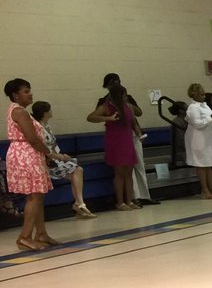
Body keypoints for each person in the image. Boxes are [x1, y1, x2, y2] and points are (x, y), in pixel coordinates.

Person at [5, 78, 72, 250]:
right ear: (15, 95)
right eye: (26, 91)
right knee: (34, 197)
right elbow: (32, 139)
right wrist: (50, 154)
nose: (30, 94)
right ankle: (24, 237)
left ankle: (41, 233)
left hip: (30, 154)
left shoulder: (19, 110)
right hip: (26, 155)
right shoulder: (19, 111)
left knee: (38, 196)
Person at [99, 73, 159, 205]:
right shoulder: (104, 101)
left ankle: (143, 195)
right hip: (117, 136)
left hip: (131, 133)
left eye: (117, 82)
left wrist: (126, 101)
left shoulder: (127, 99)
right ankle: (132, 197)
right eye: (112, 83)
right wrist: (109, 116)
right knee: (123, 170)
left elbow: (138, 114)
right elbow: (95, 116)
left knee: (138, 165)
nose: (115, 84)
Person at [29, 101, 93, 218]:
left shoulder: (46, 125)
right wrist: (61, 157)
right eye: (50, 109)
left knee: (76, 172)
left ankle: (79, 204)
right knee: (77, 170)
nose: (52, 111)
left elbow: (52, 145)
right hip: (47, 162)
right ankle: (79, 204)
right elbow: (44, 149)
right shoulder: (39, 128)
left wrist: (61, 156)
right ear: (45, 113)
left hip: (55, 158)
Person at [87, 83, 141, 210]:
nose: (125, 97)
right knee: (119, 173)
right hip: (115, 142)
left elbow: (133, 122)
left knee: (129, 172)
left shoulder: (128, 106)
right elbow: (90, 117)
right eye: (124, 95)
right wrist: (109, 118)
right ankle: (120, 202)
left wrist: (139, 133)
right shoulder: (106, 107)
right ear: (117, 96)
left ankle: (129, 201)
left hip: (127, 140)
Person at [182, 83, 212, 199]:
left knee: (208, 164)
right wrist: (210, 117)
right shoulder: (192, 107)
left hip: (208, 138)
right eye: (201, 95)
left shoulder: (205, 106)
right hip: (197, 139)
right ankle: (204, 190)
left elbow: (210, 119)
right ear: (194, 95)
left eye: (203, 94)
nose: (204, 96)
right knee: (201, 165)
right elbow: (198, 124)